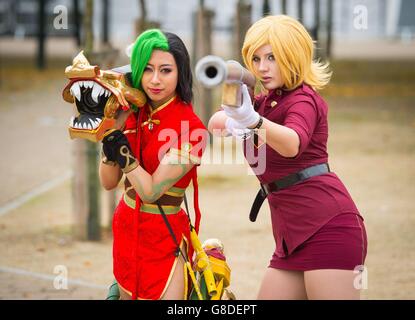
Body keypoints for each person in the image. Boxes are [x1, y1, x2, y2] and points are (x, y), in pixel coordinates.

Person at [208, 15, 367, 300]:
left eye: (272, 57)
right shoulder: (264, 101)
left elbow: (292, 143)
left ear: (293, 56)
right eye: (255, 59)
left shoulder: (303, 99)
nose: (262, 67)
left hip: (329, 228)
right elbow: (214, 126)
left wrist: (253, 122)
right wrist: (235, 116)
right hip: (290, 238)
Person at [99, 29, 208, 300]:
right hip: (126, 229)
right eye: (147, 70)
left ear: (180, 72)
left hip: (164, 238)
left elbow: (150, 191)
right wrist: (113, 129)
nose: (155, 80)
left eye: (166, 70)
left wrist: (122, 151)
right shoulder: (132, 113)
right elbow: (108, 182)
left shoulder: (193, 130)